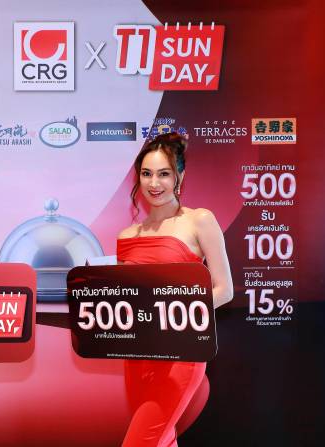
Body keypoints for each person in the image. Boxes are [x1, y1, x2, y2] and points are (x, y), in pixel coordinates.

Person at [116, 132, 233, 447]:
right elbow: (125, 299)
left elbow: (224, 290)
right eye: (147, 174)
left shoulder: (199, 220)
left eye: (164, 174)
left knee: (142, 441)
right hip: (137, 357)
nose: (154, 183)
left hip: (181, 353)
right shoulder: (127, 235)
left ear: (180, 176)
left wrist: (173, 318)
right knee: (162, 440)